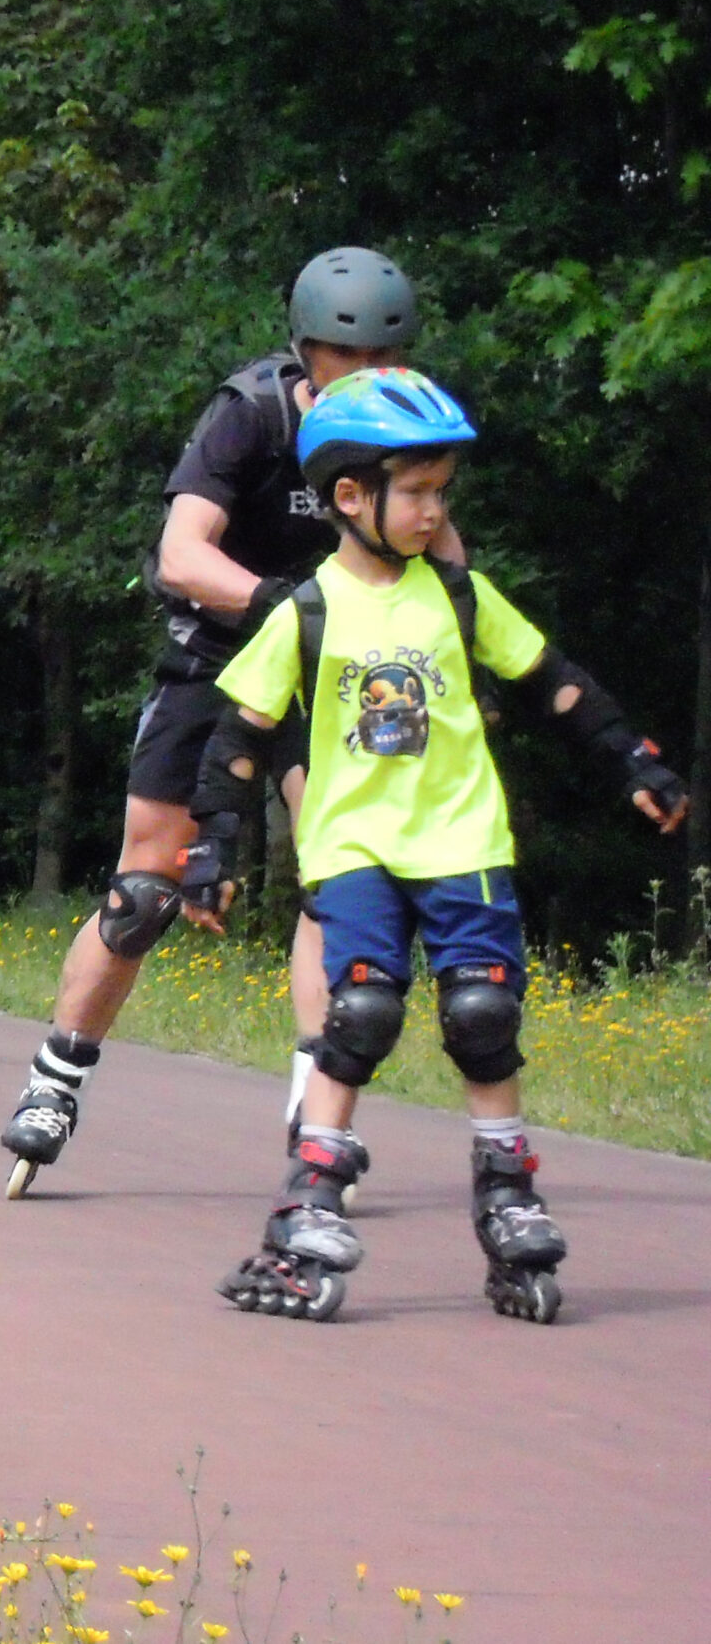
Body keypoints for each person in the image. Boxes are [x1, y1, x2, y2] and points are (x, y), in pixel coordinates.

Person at [182, 368, 687, 1323]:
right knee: (362, 1012)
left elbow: (553, 681)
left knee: (483, 1016)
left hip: (463, 840)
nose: (432, 509)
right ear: (349, 496)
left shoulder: (457, 595)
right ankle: (307, 1209)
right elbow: (239, 739)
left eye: (440, 490)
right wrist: (209, 848)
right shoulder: (305, 609)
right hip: (354, 848)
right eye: (414, 491)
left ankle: (508, 1194)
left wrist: (634, 761)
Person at [0, 247, 469, 1194]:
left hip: (330, 672)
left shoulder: (399, 421)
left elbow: (444, 555)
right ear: (307, 353)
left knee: (340, 876)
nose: (371, 382)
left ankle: (312, 1102)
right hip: (219, 655)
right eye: (351, 363)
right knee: (146, 891)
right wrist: (288, 607)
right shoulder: (250, 413)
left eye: (388, 361)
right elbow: (181, 553)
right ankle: (57, 1074)